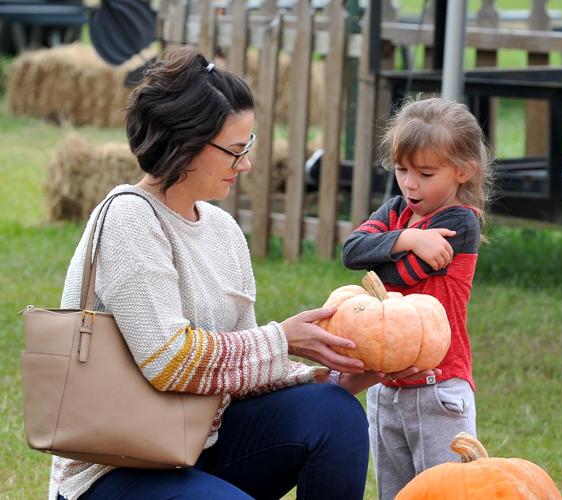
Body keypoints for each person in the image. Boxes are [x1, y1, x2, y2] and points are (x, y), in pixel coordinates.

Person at [48, 45, 433, 500]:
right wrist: (283, 339)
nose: (246, 164)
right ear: (184, 144)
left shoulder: (223, 230)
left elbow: (240, 368)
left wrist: (331, 377)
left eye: (247, 148)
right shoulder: (129, 220)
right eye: (234, 150)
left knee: (334, 412)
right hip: (117, 465)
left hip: (199, 444)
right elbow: (168, 363)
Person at [342, 97, 493, 499]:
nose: (409, 184)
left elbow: (397, 275)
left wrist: (383, 248)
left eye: (425, 173)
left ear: (463, 171)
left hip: (437, 388)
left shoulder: (460, 223)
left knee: (446, 492)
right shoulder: (397, 212)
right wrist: (408, 237)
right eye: (402, 170)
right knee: (395, 493)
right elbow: (352, 251)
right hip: (386, 386)